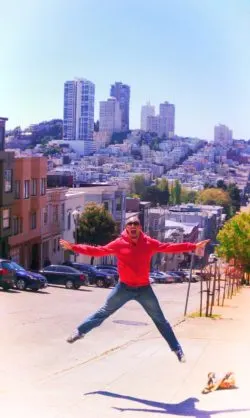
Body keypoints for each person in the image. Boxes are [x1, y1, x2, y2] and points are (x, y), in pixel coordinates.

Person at [60, 216, 209, 363]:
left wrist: (193, 246)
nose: (133, 226)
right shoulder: (119, 244)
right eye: (130, 224)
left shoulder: (149, 243)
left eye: (135, 223)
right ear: (126, 228)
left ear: (140, 227)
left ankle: (177, 349)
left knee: (160, 320)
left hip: (144, 289)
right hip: (124, 288)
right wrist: (74, 247)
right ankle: (79, 332)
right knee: (103, 312)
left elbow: (168, 247)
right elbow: (98, 251)